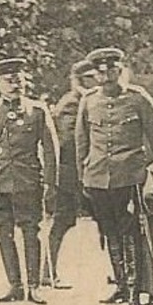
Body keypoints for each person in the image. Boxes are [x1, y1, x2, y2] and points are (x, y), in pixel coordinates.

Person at [75, 47, 153, 305]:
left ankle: (134, 288)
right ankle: (119, 284)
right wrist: (83, 176)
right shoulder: (89, 101)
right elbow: (81, 142)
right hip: (97, 177)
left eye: (112, 71)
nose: (106, 77)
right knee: (108, 232)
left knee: (132, 231)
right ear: (95, 75)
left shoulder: (138, 98)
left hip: (130, 176)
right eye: (101, 73)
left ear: (120, 71)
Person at [0, 57, 59, 304]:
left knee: (31, 231)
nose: (15, 85)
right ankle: (15, 285)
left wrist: (51, 184)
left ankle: (34, 286)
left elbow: (51, 151)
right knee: (4, 233)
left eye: (19, 80)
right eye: (9, 81)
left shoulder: (38, 110)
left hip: (28, 180)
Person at [44, 60, 96, 289]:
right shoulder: (72, 103)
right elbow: (67, 141)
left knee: (110, 220)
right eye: (90, 78)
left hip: (89, 171)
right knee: (62, 221)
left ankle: (121, 275)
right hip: (71, 174)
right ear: (79, 80)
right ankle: (47, 271)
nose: (95, 81)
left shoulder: (91, 101)